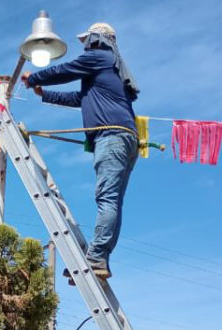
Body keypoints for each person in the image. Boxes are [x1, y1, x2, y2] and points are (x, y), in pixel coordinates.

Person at [22, 22, 140, 280]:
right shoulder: (112, 68)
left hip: (112, 136)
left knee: (107, 200)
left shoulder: (100, 56)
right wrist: (45, 94)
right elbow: (80, 99)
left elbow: (66, 70)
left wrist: (34, 78)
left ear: (97, 39)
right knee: (112, 201)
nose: (85, 45)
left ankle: (96, 257)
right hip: (126, 139)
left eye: (87, 40)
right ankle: (99, 257)